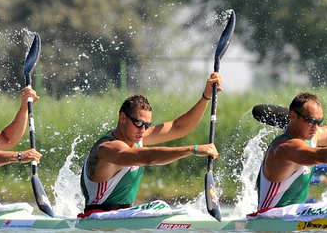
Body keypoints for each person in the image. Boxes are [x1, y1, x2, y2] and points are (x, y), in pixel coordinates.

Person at [79, 73, 222, 214]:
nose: (143, 130)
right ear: (122, 118)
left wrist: (206, 96)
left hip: (121, 217)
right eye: (139, 123)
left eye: (147, 125)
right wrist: (193, 149)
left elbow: (179, 127)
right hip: (98, 218)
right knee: (159, 206)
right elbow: (147, 157)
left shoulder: (136, 137)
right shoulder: (108, 149)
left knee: (166, 208)